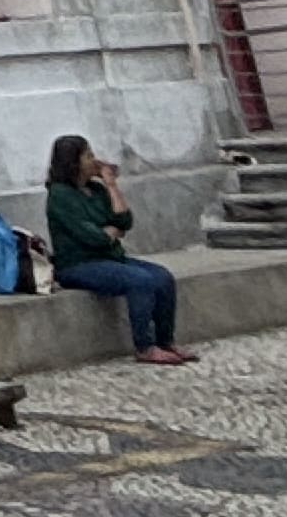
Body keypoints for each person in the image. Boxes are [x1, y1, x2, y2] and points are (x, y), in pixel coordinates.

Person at [45, 135, 195, 364]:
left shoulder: (96, 190)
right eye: (88, 156)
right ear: (74, 162)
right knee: (140, 281)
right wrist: (109, 233)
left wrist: (111, 184)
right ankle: (144, 346)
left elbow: (124, 220)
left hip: (111, 257)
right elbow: (92, 237)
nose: (95, 161)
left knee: (162, 277)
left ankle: (166, 341)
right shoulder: (60, 195)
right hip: (79, 264)